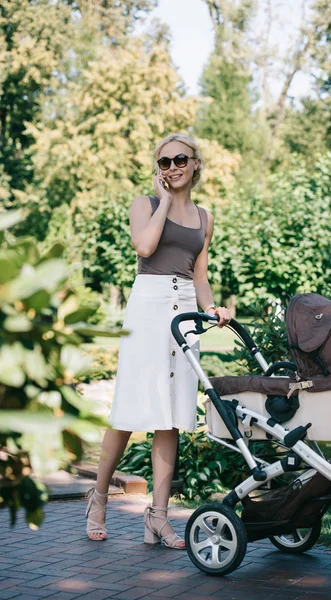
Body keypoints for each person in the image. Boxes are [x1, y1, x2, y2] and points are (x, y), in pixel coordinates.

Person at [85, 133, 231, 549]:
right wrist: (163, 200)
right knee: (130, 408)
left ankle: (159, 517)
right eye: (164, 162)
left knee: (172, 415)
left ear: (195, 163)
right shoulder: (144, 205)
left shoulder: (205, 217)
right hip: (148, 303)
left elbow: (199, 275)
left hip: (184, 307)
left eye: (179, 159)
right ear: (158, 169)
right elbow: (145, 245)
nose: (172, 167)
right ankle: (98, 499)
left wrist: (212, 308)